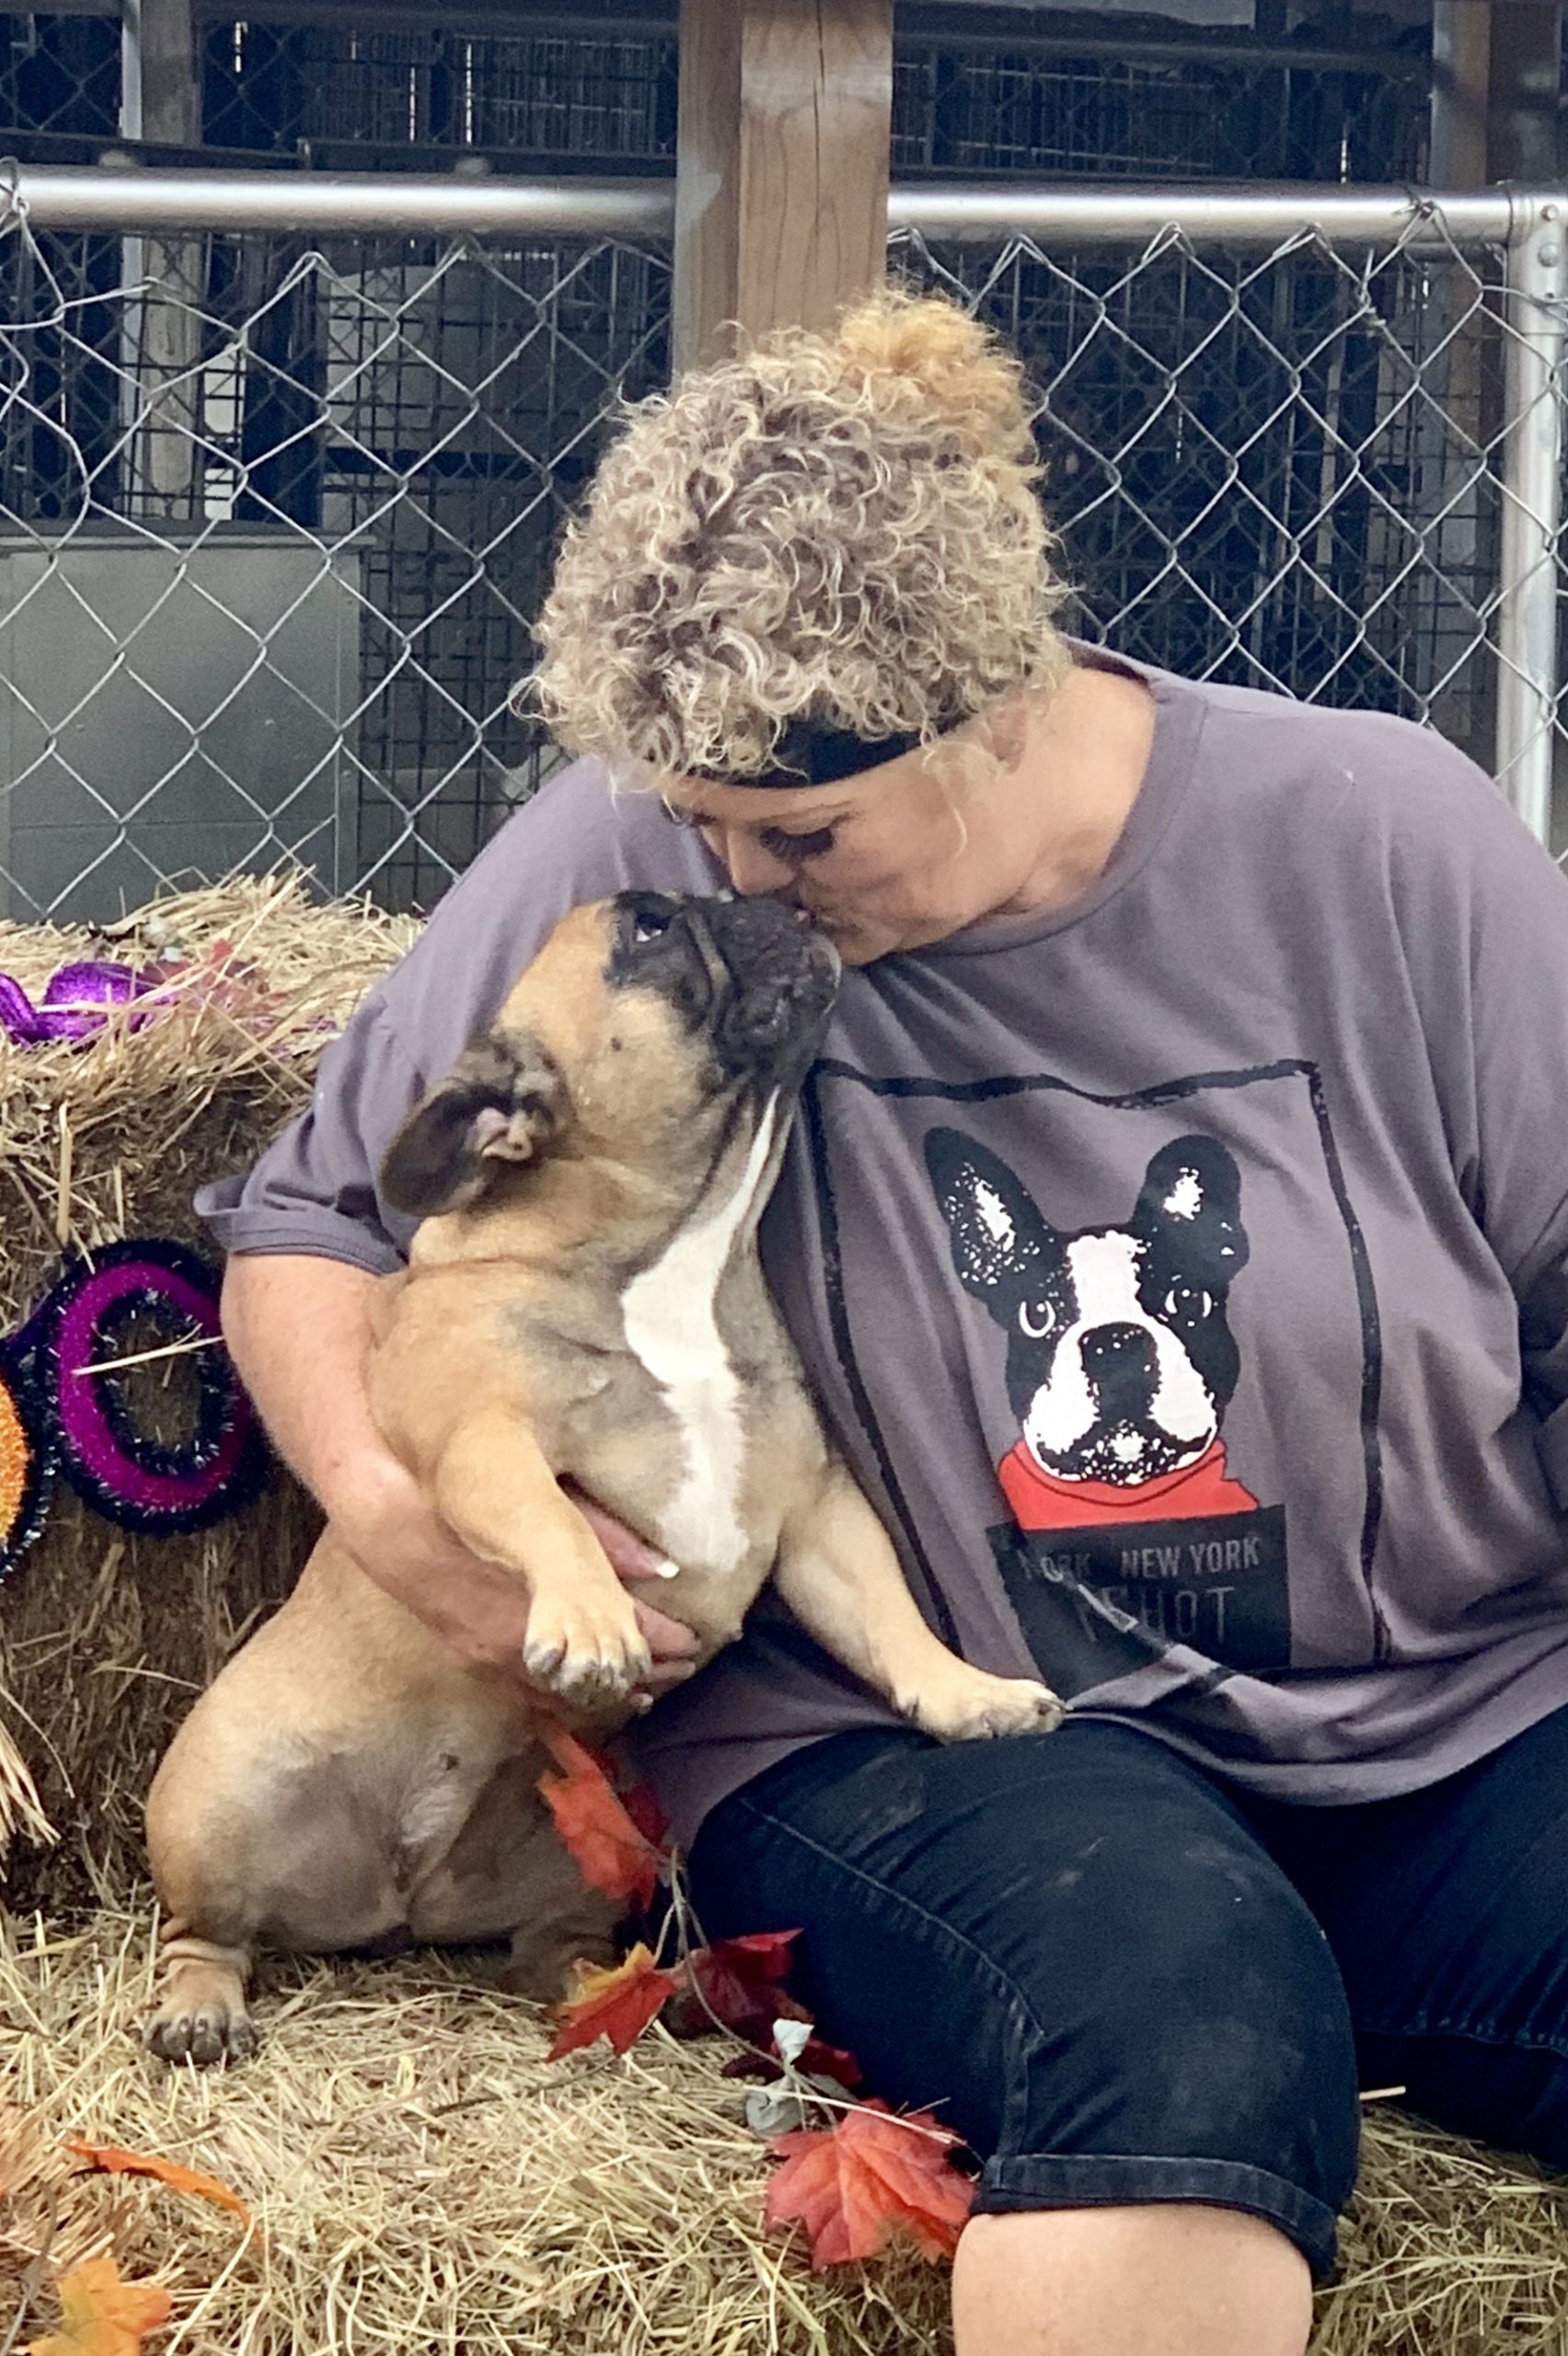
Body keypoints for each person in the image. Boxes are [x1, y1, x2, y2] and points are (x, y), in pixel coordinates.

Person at [196, 289, 1568, 2356]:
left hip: (1453, 1719)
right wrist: (419, 1537)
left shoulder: (1386, 836)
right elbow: (312, 1223)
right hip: (932, 1747)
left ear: (998, 700)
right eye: (702, 826)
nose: (740, 879)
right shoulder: (647, 853)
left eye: (800, 836)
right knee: (1175, 2040)